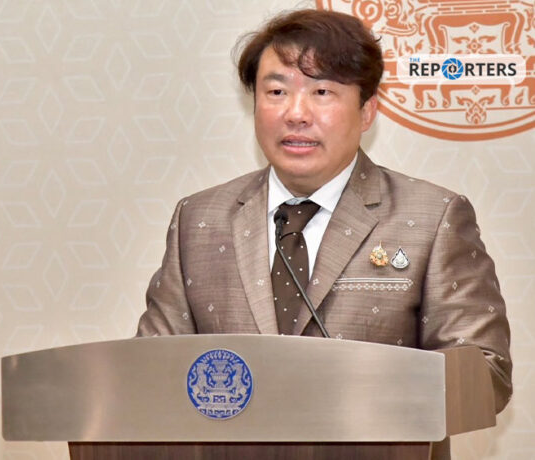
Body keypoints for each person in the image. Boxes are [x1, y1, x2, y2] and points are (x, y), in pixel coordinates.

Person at [136, 9, 512, 456]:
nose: (296, 113)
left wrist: (361, 386)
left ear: (367, 110)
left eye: (322, 92)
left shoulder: (433, 217)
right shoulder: (199, 219)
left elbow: (487, 377)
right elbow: (147, 374)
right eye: (276, 92)